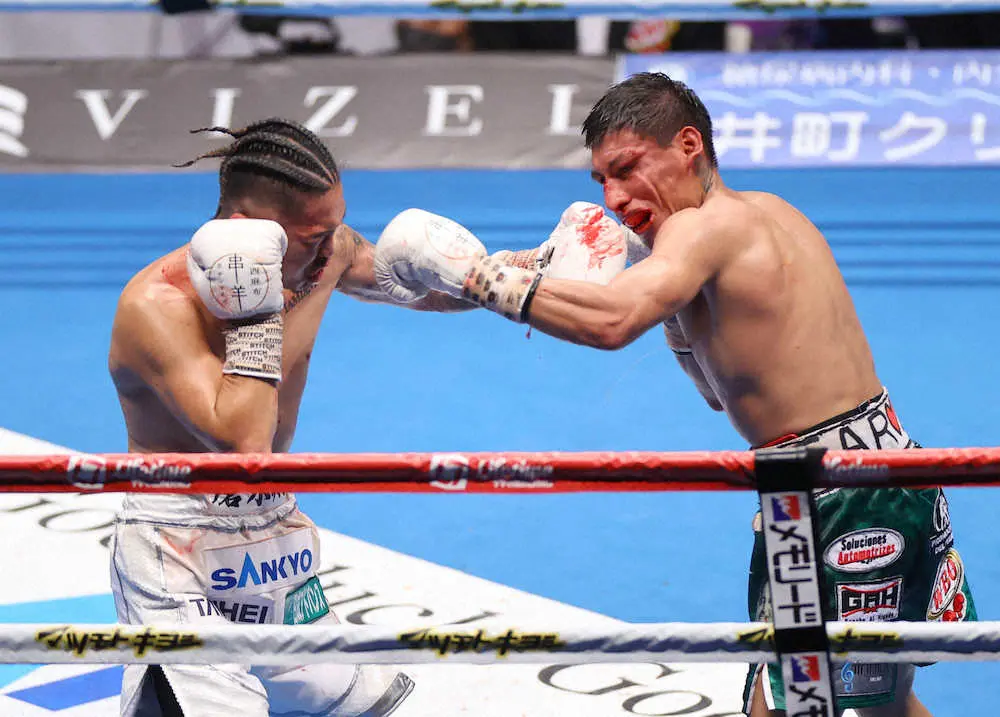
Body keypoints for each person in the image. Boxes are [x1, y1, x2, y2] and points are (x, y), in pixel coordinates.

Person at [372, 72, 976, 717]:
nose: (613, 196)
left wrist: (472, 273)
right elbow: (722, 391)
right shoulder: (771, 211)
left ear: (688, 145)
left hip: (831, 495)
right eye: (601, 180)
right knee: (883, 701)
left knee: (781, 705)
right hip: (884, 468)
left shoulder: (701, 230)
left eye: (627, 169)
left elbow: (609, 322)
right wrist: (668, 315)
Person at [107, 117, 625, 717]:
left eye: (336, 226)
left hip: (273, 533)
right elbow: (244, 443)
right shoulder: (156, 306)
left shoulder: (324, 251)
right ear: (249, 231)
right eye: (313, 237)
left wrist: (515, 271)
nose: (333, 248)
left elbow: (419, 284)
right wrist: (254, 308)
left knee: (348, 702)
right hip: (179, 542)